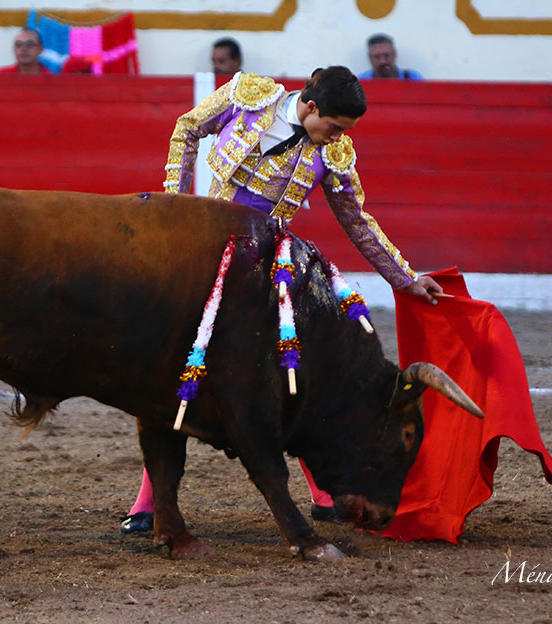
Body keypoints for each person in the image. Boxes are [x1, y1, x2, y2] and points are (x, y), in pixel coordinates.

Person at [120, 66, 443, 535]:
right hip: (204, 255)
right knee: (177, 374)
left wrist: (406, 278)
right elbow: (188, 128)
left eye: (343, 131)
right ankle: (148, 503)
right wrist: (173, 209)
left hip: (267, 270)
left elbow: (357, 221)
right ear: (311, 106)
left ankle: (320, 492)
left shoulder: (334, 154)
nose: (336, 137)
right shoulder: (249, 96)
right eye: (333, 126)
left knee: (293, 379)